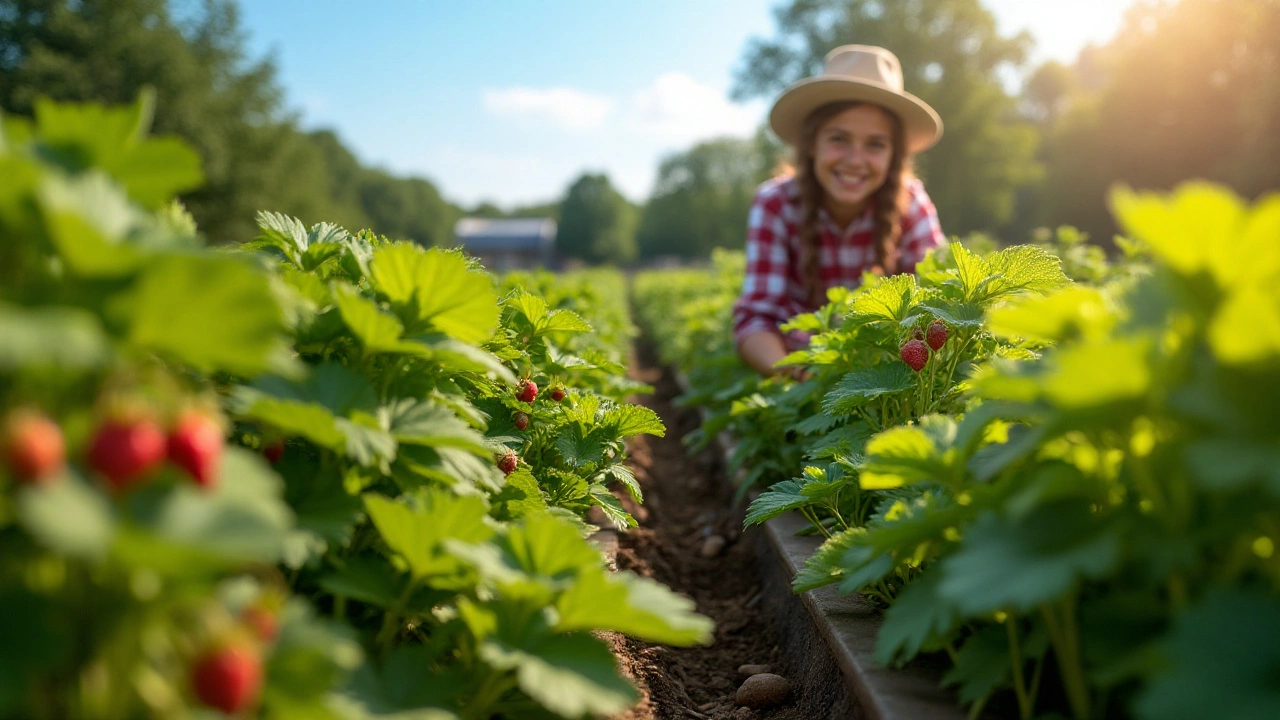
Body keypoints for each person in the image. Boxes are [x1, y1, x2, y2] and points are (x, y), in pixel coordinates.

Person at [732, 45, 947, 378]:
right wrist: (799, 378)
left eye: (875, 144)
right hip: (803, 372)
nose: (855, 160)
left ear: (894, 155)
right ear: (811, 143)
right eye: (839, 139)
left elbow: (937, 304)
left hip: (884, 376)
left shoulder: (911, 202)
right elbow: (757, 318)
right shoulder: (775, 203)